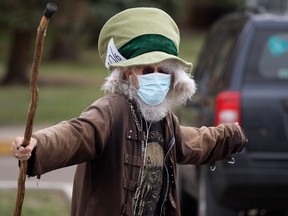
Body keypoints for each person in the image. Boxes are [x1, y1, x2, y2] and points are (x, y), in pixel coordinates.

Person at [11, 7, 247, 216]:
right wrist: (36, 145)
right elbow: (76, 133)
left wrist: (229, 136)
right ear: (127, 73)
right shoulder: (111, 111)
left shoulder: (164, 119)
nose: (157, 76)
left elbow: (192, 142)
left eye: (163, 70)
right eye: (147, 69)